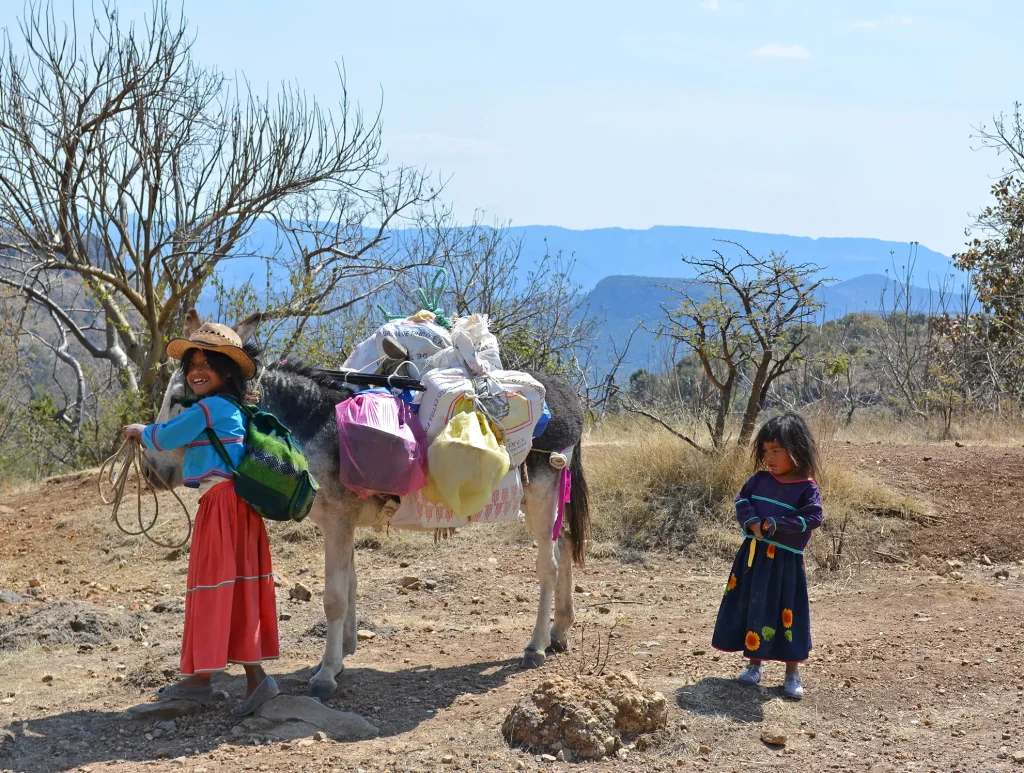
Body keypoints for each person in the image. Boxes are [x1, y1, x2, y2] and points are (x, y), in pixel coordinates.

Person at [122, 322, 279, 716]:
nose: (196, 369)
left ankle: (220, 680)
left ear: (227, 371)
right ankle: (221, 678)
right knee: (234, 588)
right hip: (235, 506)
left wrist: (141, 431)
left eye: (207, 361)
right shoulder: (233, 408)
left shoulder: (210, 408)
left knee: (212, 587)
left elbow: (167, 437)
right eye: (192, 362)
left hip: (222, 506)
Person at [711, 411, 823, 700]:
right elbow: (742, 499)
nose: (769, 458)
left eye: (777, 451)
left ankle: (791, 673)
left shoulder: (806, 488)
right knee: (754, 605)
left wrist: (775, 525)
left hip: (786, 563)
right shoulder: (759, 480)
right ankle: (754, 665)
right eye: (765, 451)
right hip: (753, 558)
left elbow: (813, 517)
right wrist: (751, 522)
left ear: (797, 450)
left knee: (787, 612)